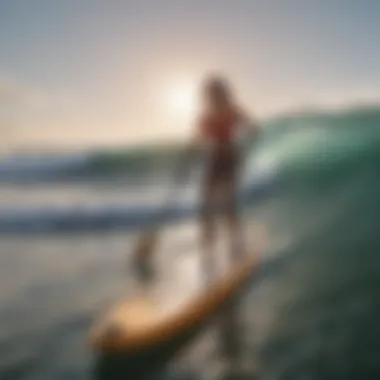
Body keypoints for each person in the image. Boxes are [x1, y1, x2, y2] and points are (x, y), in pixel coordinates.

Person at [191, 75, 260, 283]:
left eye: (213, 92)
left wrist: (243, 152)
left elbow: (254, 130)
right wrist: (197, 142)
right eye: (209, 93)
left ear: (222, 92)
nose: (210, 96)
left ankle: (235, 245)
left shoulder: (233, 110)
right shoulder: (205, 115)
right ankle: (208, 253)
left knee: (228, 205)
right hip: (213, 161)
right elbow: (199, 138)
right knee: (205, 208)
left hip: (230, 158)